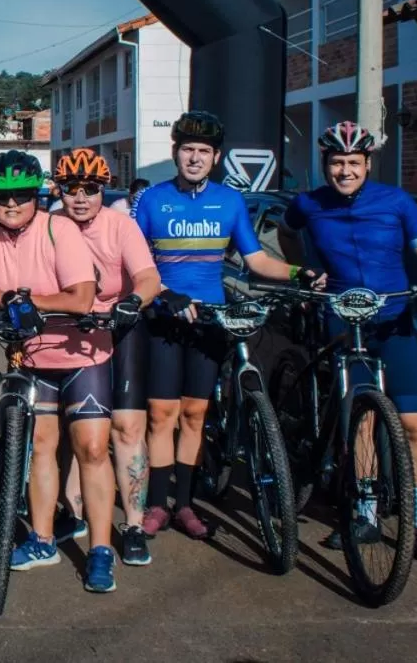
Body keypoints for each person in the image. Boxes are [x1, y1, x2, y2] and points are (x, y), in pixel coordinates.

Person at [280, 121, 417, 567]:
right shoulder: (309, 203)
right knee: (362, 419)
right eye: (337, 162)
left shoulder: (396, 201)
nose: (345, 171)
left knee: (414, 425)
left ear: (367, 164)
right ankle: (364, 516)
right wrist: (305, 269)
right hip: (344, 318)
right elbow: (287, 233)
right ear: (325, 163)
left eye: (353, 162)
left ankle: (415, 525)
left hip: (393, 320)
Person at [132, 111, 314, 540]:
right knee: (162, 414)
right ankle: (157, 503)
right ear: (175, 153)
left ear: (216, 158)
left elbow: (257, 260)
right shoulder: (153, 200)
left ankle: (185, 505)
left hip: (211, 320)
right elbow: (134, 263)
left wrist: (298, 273)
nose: (195, 158)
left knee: (195, 414)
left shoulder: (229, 202)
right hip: (164, 318)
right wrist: (162, 293)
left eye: (204, 151)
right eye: (187, 150)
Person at [0, 151, 119, 592]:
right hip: (31, 357)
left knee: (92, 449)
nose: (12, 204)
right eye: (2, 197)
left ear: (37, 196)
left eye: (22, 195)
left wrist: (28, 302)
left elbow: (82, 297)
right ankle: (43, 540)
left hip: (81, 355)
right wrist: (9, 299)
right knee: (42, 448)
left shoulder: (58, 228)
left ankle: (101, 549)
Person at [52, 148, 161, 567]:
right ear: (59, 191)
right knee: (76, 428)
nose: (81, 198)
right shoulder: (51, 224)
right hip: (73, 327)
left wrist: (133, 301)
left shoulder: (120, 225)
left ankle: (132, 524)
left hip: (121, 323)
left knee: (128, 426)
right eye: (71, 189)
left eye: (91, 189)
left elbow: (148, 277)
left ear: (103, 190)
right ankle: (74, 511)